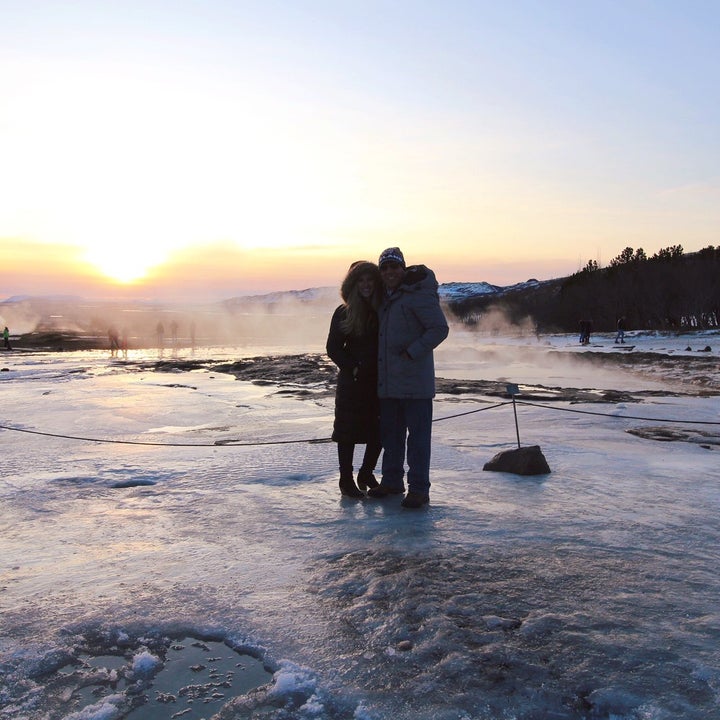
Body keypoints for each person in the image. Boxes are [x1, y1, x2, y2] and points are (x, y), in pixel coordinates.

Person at [368, 247, 449, 508]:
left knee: (417, 440)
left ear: (403, 269)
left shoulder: (417, 294)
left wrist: (413, 352)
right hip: (390, 384)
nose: (390, 272)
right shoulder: (386, 298)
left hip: (415, 383)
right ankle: (392, 481)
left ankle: (419, 489)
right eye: (385, 268)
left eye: (394, 267)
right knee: (391, 436)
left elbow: (439, 329)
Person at [326, 261, 384, 498]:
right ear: (353, 284)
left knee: (380, 429)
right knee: (347, 430)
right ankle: (345, 479)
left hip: (379, 380)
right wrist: (353, 368)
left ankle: (366, 473)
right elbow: (333, 347)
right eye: (361, 280)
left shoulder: (383, 309)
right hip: (353, 382)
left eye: (370, 280)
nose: (366, 285)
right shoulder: (344, 312)